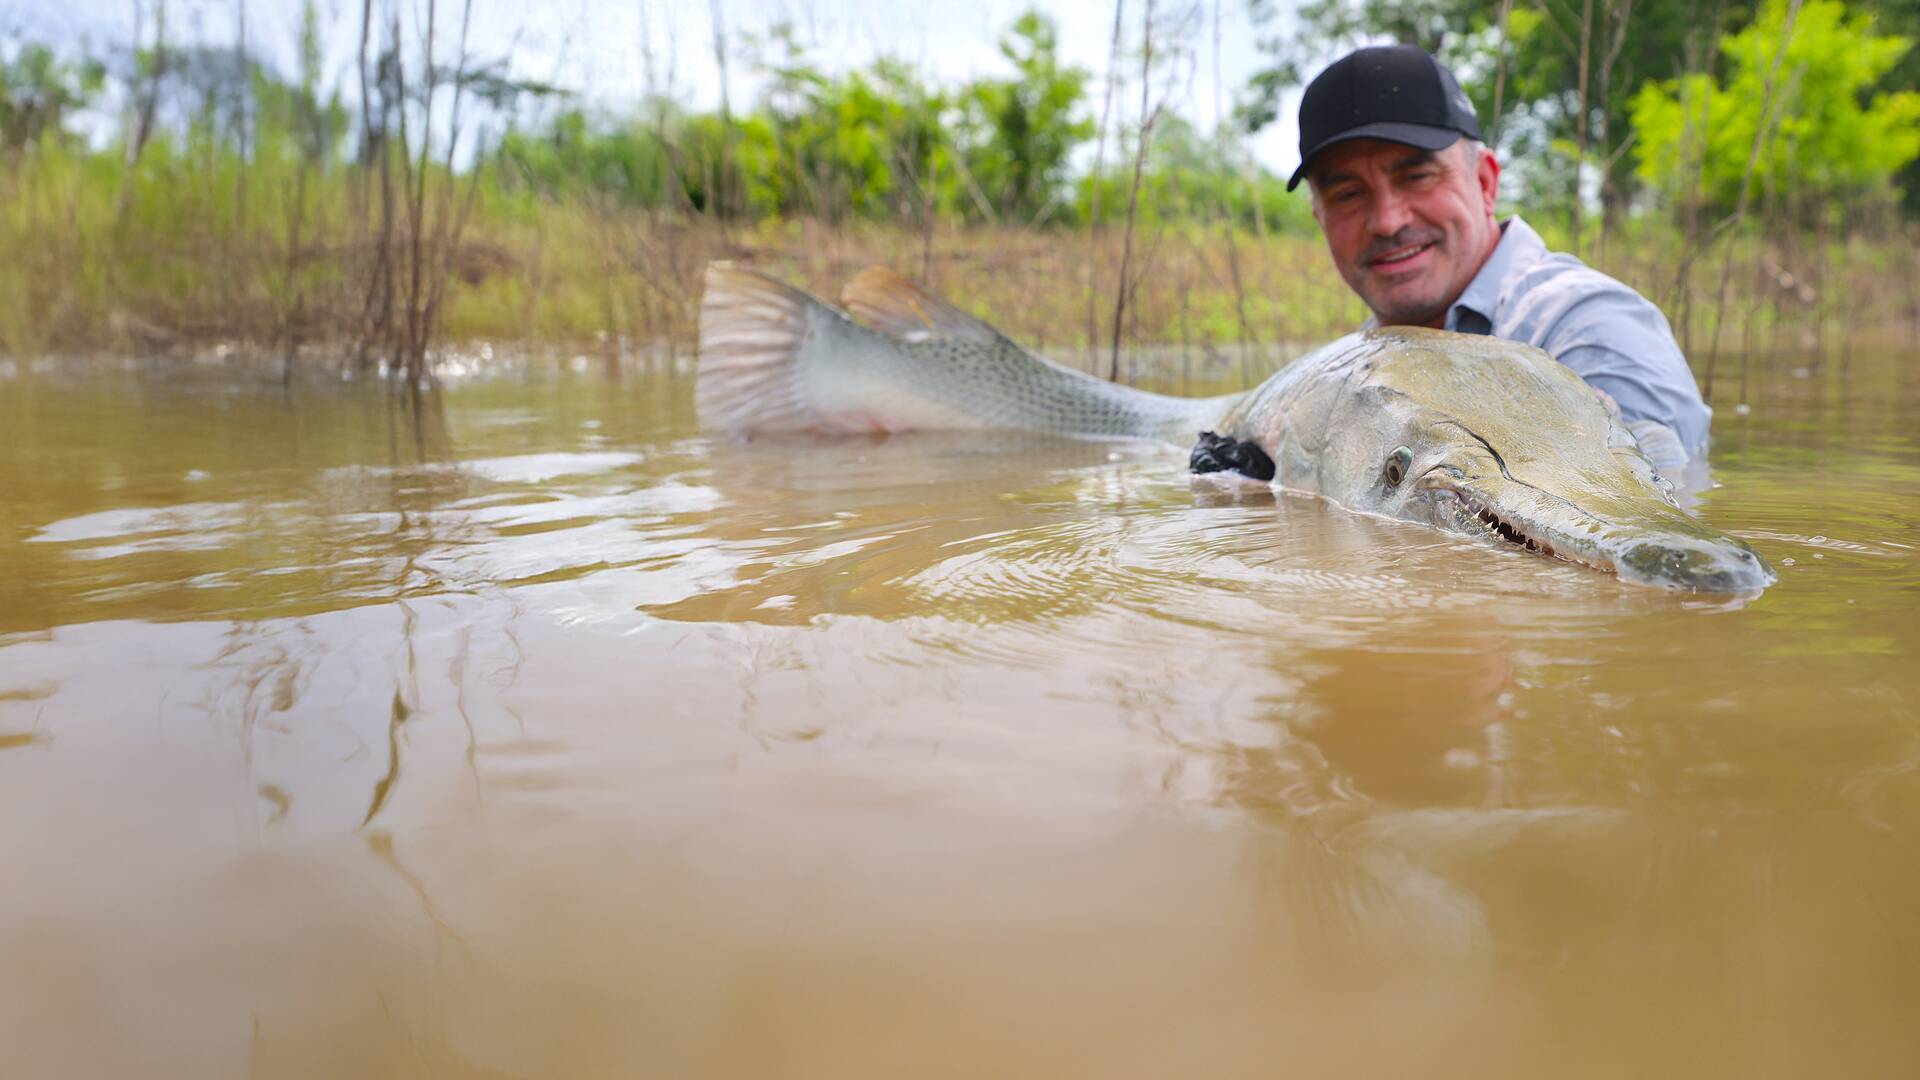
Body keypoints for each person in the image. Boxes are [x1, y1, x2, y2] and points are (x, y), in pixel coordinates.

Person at [1289, 45, 1709, 469]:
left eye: (1416, 176)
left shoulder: (1590, 328)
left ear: (1486, 182)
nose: (1386, 221)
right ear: (1320, 218)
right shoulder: (1341, 375)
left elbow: (1650, 514)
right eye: (1348, 194)